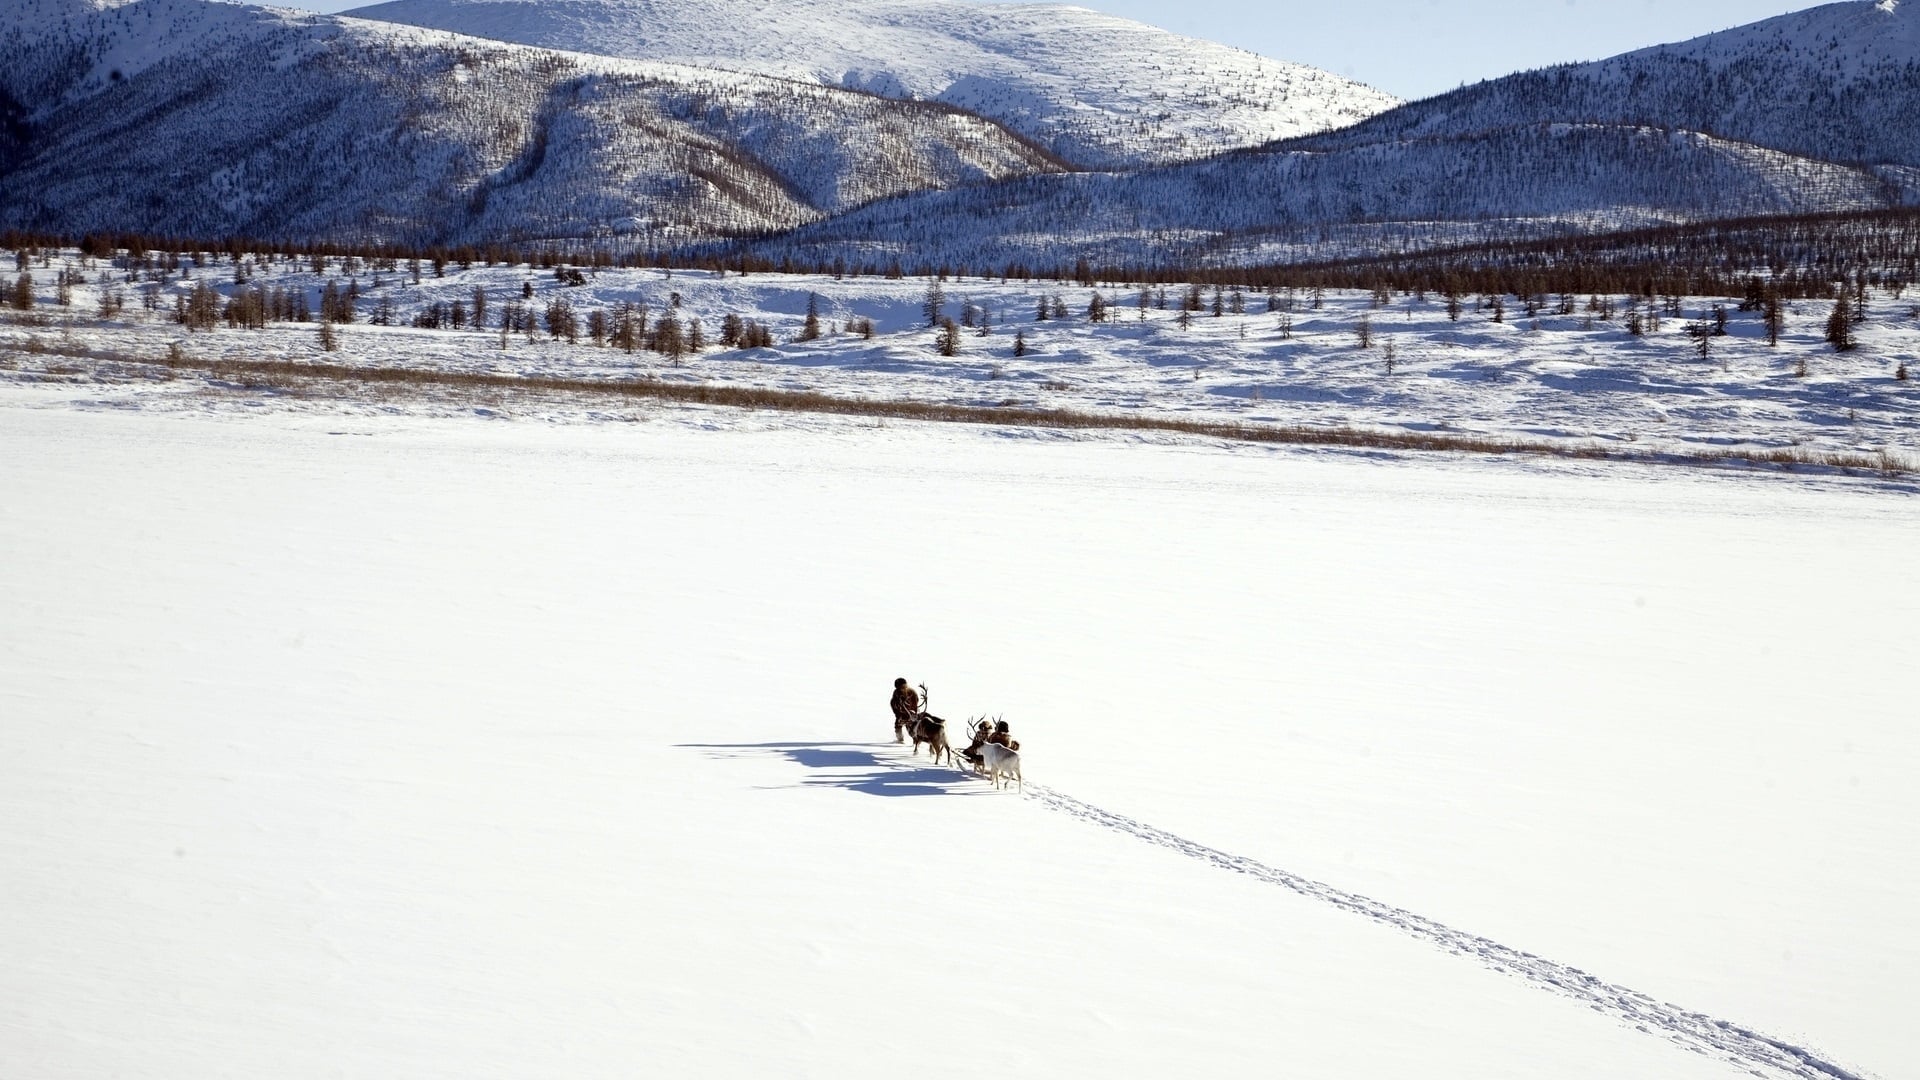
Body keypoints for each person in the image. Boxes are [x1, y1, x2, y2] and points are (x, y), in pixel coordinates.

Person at [889, 678, 920, 743]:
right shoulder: (896, 693)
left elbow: (915, 704)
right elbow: (893, 703)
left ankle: (916, 742)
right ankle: (900, 741)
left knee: (912, 729)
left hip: (911, 713)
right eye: (899, 687)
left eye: (903, 687)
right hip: (901, 714)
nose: (902, 689)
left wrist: (913, 713)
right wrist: (898, 714)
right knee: (898, 726)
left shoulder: (912, 692)